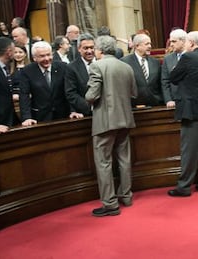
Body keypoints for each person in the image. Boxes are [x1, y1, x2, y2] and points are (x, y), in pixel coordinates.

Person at [85, 35, 137, 217]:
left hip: (105, 121)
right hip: (125, 119)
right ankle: (126, 196)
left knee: (103, 162)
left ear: (99, 50)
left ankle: (110, 204)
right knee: (124, 159)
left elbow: (92, 95)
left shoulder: (96, 66)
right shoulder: (126, 66)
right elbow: (133, 93)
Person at [167, 31, 198, 197]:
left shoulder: (188, 58)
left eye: (187, 42)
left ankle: (184, 186)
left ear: (192, 43)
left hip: (192, 110)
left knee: (189, 149)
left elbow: (173, 77)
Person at [18, 41, 70, 126]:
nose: (46, 58)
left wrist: (73, 110)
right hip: (40, 118)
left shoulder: (63, 67)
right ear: (34, 58)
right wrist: (27, 117)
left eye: (49, 55)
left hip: (63, 116)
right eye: (42, 56)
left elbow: (70, 91)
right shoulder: (27, 71)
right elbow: (24, 95)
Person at [121, 33, 163, 107]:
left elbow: (160, 83)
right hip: (135, 105)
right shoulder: (125, 62)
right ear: (137, 46)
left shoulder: (155, 62)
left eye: (150, 44)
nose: (150, 46)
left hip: (155, 103)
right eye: (147, 44)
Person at [65, 33, 95, 118]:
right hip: (85, 114)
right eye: (86, 48)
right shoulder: (72, 68)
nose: (89, 51)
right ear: (79, 49)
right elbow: (71, 93)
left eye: (92, 47)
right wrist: (91, 107)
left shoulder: (102, 63)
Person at [161, 28, 187, 109]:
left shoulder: (192, 56)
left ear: (183, 41)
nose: (171, 44)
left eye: (174, 41)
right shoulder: (167, 59)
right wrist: (168, 100)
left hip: (191, 100)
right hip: (174, 102)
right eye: (170, 41)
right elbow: (165, 81)